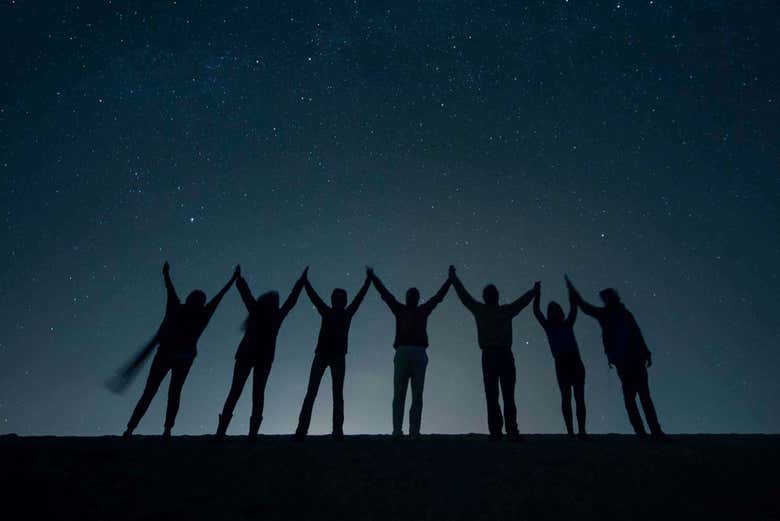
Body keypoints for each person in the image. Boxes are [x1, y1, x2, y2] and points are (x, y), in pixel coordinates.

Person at [123, 262, 240, 438]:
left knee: (155, 392)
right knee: (166, 393)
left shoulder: (182, 308)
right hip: (178, 357)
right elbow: (218, 296)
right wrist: (166, 275)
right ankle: (156, 429)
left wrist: (166, 275)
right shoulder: (199, 312)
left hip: (173, 356)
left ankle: (136, 429)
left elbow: (173, 290)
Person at [566, 276, 665, 439]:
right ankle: (645, 432)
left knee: (640, 396)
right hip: (625, 360)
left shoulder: (619, 314)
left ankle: (652, 432)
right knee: (635, 397)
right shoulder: (610, 314)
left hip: (633, 358)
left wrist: (646, 352)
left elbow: (635, 332)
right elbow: (586, 307)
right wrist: (574, 294)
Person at [215, 267, 308, 441]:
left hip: (250, 355)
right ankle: (250, 434)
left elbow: (246, 294)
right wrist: (301, 282)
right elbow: (291, 300)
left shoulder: (258, 312)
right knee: (255, 393)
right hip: (259, 357)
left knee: (238, 391)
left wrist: (239, 279)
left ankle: (223, 432)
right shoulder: (274, 315)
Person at [449, 265, 538, 441]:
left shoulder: (498, 310)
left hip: (502, 354)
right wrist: (454, 279)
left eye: (492, 293)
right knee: (494, 394)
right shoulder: (485, 310)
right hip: (492, 355)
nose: (490, 296)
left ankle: (508, 430)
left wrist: (533, 291)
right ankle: (499, 431)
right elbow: (464, 296)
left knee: (504, 394)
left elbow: (521, 302)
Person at [369, 268, 451, 439]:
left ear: (416, 298)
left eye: (413, 295)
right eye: (410, 295)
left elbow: (438, 298)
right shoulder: (402, 309)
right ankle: (398, 430)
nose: (411, 297)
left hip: (416, 352)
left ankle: (412, 431)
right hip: (406, 351)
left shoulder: (420, 310)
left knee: (416, 394)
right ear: (408, 298)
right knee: (401, 393)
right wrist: (374, 279)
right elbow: (386, 295)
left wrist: (449, 281)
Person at [293, 268, 372, 441]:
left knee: (332, 393)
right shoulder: (332, 312)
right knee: (316, 392)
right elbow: (315, 297)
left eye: (341, 299)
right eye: (337, 298)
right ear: (335, 300)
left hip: (334, 356)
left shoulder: (340, 313)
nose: (339, 301)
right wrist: (306, 283)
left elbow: (358, 299)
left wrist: (367, 283)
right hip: (324, 355)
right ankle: (304, 429)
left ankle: (333, 430)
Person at [532, 281, 587, 438]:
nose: (553, 312)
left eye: (555, 310)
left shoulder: (567, 324)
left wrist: (572, 294)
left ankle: (581, 430)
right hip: (561, 363)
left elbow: (574, 308)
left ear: (560, 312)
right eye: (551, 310)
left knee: (579, 397)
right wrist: (537, 294)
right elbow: (536, 311)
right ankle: (570, 431)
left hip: (575, 362)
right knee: (566, 398)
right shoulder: (549, 326)